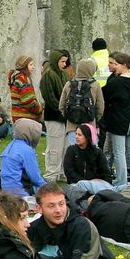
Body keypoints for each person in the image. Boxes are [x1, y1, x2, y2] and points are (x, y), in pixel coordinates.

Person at [101, 52, 130, 190]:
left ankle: (121, 182)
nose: (110, 65)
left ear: (124, 65)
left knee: (119, 152)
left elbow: (104, 95)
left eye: (113, 63)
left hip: (118, 121)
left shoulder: (117, 82)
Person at [40, 49, 73, 181]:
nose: (64, 64)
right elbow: (49, 97)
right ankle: (51, 173)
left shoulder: (64, 74)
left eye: (65, 61)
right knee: (54, 147)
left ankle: (62, 172)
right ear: (55, 61)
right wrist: (61, 110)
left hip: (64, 116)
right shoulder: (48, 75)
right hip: (53, 116)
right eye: (62, 61)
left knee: (65, 146)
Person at [0, 118, 48, 197]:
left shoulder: (11, 145)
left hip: (6, 191)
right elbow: (35, 177)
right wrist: (48, 188)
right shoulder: (26, 150)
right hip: (20, 192)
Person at [63, 125, 113, 195]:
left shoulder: (97, 152)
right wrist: (86, 182)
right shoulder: (71, 150)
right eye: (76, 134)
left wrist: (102, 182)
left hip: (95, 185)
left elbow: (106, 173)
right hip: (77, 184)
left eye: (80, 135)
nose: (76, 137)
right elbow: (69, 171)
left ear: (87, 137)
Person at [8, 55, 42, 122]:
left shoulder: (17, 78)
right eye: (31, 64)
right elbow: (29, 102)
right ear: (24, 66)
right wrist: (40, 109)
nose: (33, 67)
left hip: (20, 119)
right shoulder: (22, 80)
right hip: (25, 119)